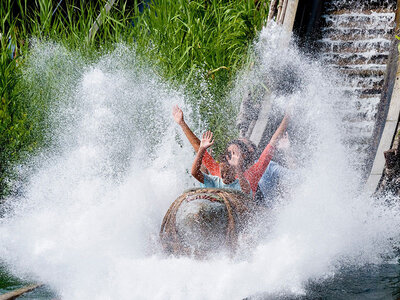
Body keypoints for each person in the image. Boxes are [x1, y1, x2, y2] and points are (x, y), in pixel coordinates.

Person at [172, 105, 289, 196]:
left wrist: (287, 116)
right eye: (228, 153)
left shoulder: (254, 172)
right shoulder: (219, 171)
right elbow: (198, 148)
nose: (230, 157)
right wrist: (182, 123)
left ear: (243, 156)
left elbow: (272, 142)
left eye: (234, 153)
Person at [191, 131, 252, 195]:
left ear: (234, 171)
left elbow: (246, 192)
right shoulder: (214, 181)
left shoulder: (241, 183)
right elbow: (194, 173)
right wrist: (202, 149)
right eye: (222, 172)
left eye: (228, 172)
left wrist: (238, 167)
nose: (225, 175)